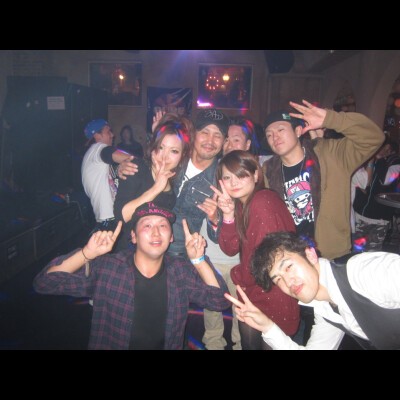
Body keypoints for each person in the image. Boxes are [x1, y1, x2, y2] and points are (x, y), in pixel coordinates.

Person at [33, 202, 230, 350]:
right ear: (133, 237)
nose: (155, 233)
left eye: (163, 226)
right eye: (147, 226)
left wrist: (199, 260)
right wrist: (87, 253)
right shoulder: (109, 268)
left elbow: (219, 301)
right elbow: (45, 283)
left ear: (171, 237)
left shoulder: (181, 271)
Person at [225, 231, 400, 350]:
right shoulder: (325, 310)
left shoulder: (362, 272)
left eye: (288, 267)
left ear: (310, 255)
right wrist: (267, 326)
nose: (288, 282)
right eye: (277, 279)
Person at [263, 100, 384, 259]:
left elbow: (374, 137)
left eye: (280, 129)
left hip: (331, 254)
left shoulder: (331, 154)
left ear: (298, 131)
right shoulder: (268, 170)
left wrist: (331, 119)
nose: (275, 137)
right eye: (269, 134)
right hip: (293, 256)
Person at [213, 150, 300, 349]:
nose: (234, 182)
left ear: (255, 175)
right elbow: (230, 248)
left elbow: (263, 263)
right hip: (254, 292)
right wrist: (228, 214)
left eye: (241, 175)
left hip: (274, 292)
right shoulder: (242, 205)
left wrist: (237, 276)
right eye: (227, 177)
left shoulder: (262, 202)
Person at [113, 116, 192, 251]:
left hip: (156, 251)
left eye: (174, 151)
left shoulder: (176, 178)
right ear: (154, 147)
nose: (164, 156)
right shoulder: (136, 168)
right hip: (128, 251)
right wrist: (156, 189)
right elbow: (120, 216)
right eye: (161, 147)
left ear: (182, 155)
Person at [81, 119, 134, 234]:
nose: (112, 135)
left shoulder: (93, 156)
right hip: (111, 219)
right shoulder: (98, 148)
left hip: (108, 219)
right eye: (108, 131)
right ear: (97, 135)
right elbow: (131, 159)